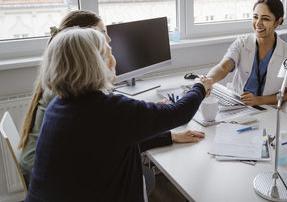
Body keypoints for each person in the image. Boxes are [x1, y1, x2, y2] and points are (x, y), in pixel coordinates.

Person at [18, 10, 205, 188]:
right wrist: (200, 86)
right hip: (57, 179)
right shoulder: (99, 107)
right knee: (144, 177)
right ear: (88, 55)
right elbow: (178, 113)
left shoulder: (65, 100)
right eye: (107, 49)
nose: (110, 42)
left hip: (54, 183)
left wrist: (164, 133)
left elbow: (108, 135)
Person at [206, 0, 287, 108]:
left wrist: (259, 100)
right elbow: (223, 67)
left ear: (278, 22)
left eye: (265, 19)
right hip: (240, 104)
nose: (258, 23)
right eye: (255, 17)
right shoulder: (242, 43)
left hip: (269, 109)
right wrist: (208, 81)